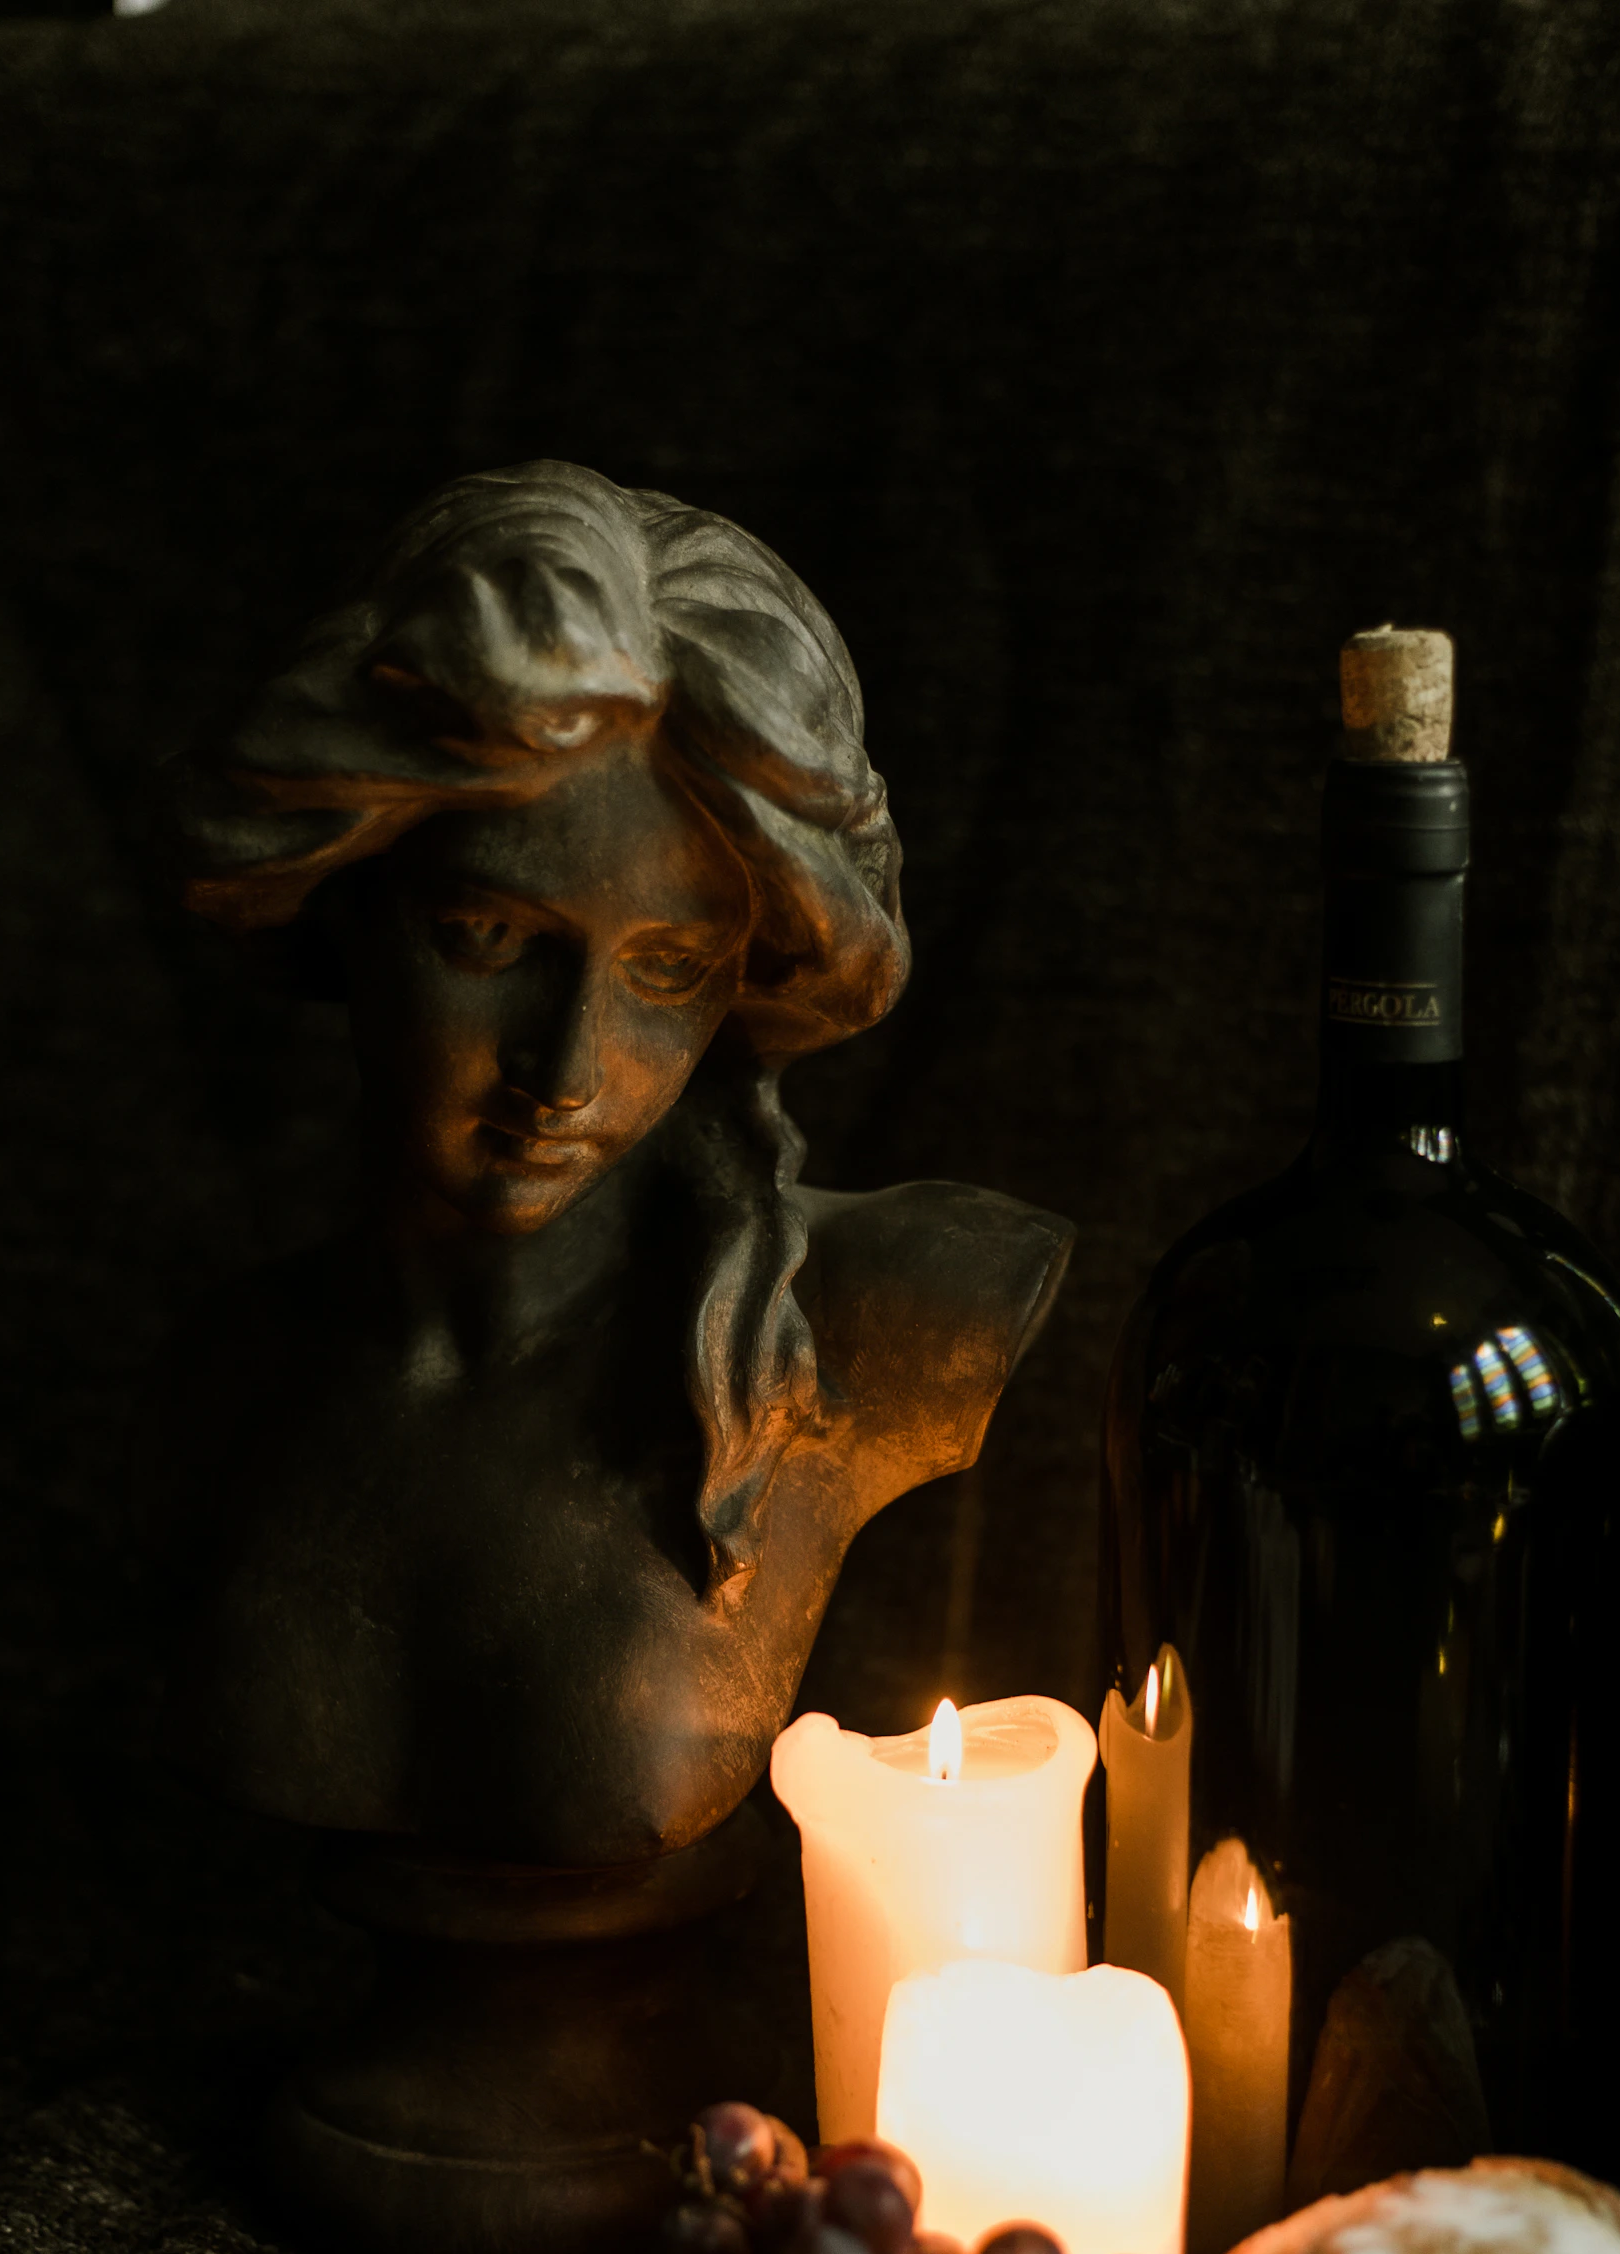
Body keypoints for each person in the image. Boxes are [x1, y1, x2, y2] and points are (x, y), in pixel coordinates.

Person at [153, 461, 1071, 1871]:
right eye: (490, 939)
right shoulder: (223, 1379)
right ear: (346, 899)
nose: (568, 1071)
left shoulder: (904, 1319)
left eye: (669, 970)